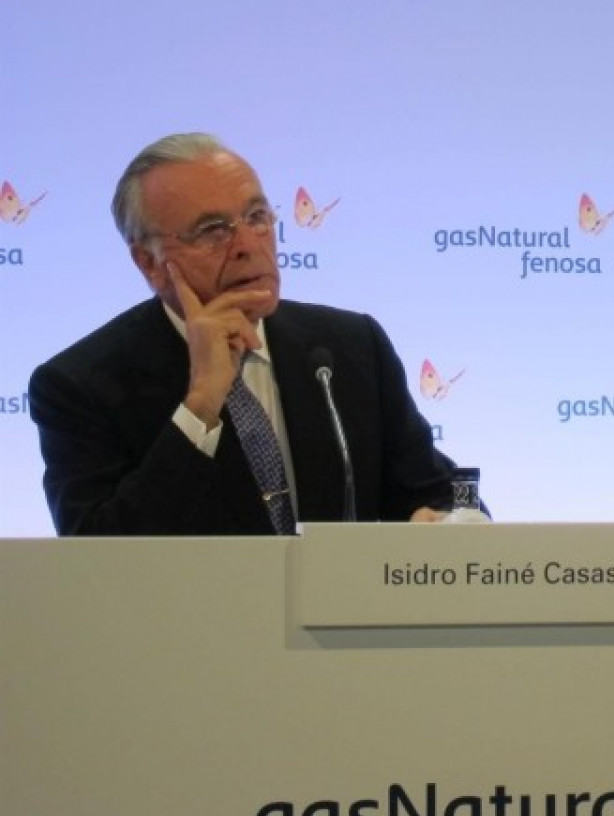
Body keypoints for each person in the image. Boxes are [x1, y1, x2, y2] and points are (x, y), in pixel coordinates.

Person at [30, 132, 464, 536]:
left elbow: (437, 491)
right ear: (148, 261)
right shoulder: (80, 386)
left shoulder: (349, 346)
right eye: (212, 230)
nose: (248, 245)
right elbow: (98, 554)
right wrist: (201, 405)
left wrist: (447, 521)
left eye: (257, 217)